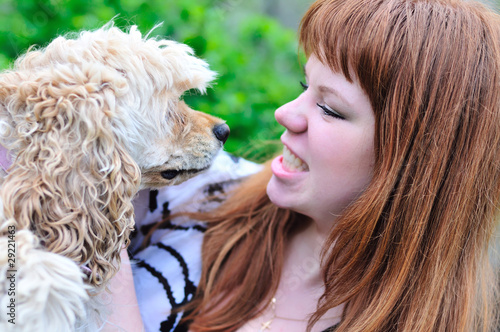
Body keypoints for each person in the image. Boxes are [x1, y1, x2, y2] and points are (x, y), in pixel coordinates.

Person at [113, 0, 500, 331]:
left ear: (416, 162)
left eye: (330, 109)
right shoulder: (194, 193)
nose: (285, 114)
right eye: (304, 87)